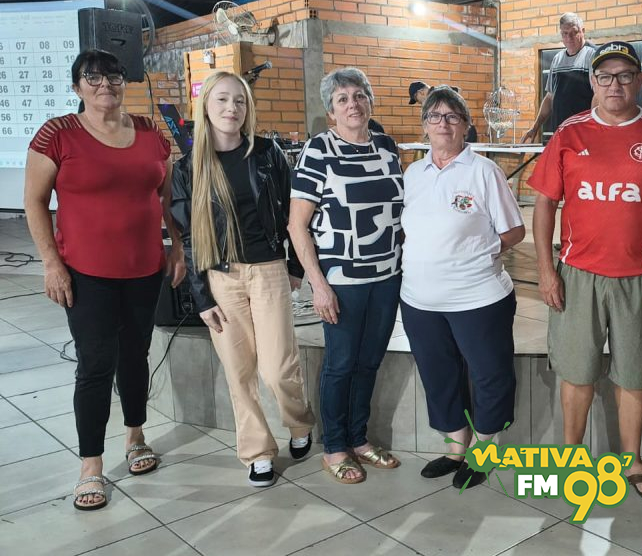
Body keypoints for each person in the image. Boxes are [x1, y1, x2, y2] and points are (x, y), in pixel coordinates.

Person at [527, 41, 642, 503]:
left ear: (638, 80)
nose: (615, 84)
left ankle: (632, 461)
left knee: (634, 373)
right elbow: (545, 204)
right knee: (576, 371)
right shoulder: (570, 132)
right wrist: (546, 270)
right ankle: (571, 456)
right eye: (605, 76)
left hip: (640, 277)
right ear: (593, 82)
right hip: (577, 275)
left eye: (624, 75)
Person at [24, 49, 186, 510]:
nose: (104, 85)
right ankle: (91, 464)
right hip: (86, 273)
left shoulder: (150, 133)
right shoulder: (58, 134)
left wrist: (176, 246)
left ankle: (135, 436)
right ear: (76, 87)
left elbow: (165, 197)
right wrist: (52, 264)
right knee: (95, 364)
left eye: (113, 76)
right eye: (92, 77)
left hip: (144, 269)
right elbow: (35, 202)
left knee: (135, 356)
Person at [171, 70, 316, 488]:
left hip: (269, 271)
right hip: (222, 277)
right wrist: (201, 297)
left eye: (239, 100)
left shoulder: (268, 153)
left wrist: (294, 267)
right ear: (205, 106)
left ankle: (299, 422)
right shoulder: (188, 168)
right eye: (222, 99)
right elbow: (191, 237)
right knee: (239, 372)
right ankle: (257, 452)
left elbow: (294, 214)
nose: (231, 108)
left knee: (278, 368)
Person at [400, 86, 525, 490]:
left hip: (478, 297)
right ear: (424, 126)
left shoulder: (483, 171)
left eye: (453, 116)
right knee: (439, 375)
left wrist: (479, 253)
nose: (443, 124)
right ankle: (456, 449)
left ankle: (485, 451)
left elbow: (514, 230)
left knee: (489, 375)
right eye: (435, 116)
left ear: (466, 126)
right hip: (419, 300)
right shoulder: (413, 174)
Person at [290, 67, 405, 484]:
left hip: (387, 275)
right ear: (331, 111)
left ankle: (359, 438)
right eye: (342, 99)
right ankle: (334, 446)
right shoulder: (318, 150)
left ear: (369, 101)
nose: (353, 104)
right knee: (340, 363)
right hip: (342, 279)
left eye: (359, 95)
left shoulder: (387, 146)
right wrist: (318, 285)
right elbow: (297, 226)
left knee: (370, 360)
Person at [520, 12, 597, 144]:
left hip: (584, 134)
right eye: (564, 33)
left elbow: (599, 95)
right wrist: (535, 127)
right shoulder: (557, 59)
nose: (569, 38)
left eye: (573, 32)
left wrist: (593, 128)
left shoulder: (592, 55)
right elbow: (550, 97)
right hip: (560, 132)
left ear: (582, 31)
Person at [411, 80, 478, 143]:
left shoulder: (439, 92)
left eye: (417, 99)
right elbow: (458, 90)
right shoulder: (436, 94)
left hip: (463, 131)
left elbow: (458, 91)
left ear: (421, 92)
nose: (418, 102)